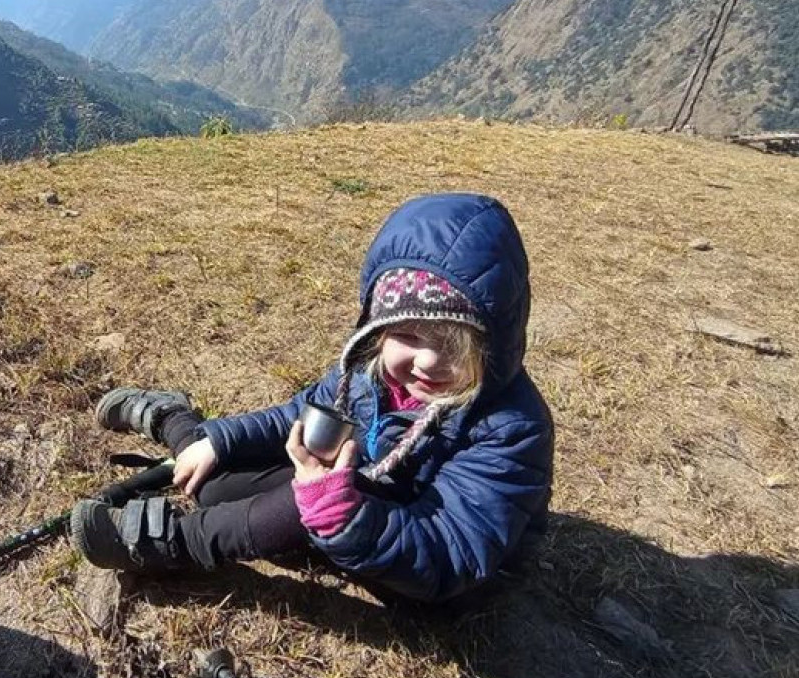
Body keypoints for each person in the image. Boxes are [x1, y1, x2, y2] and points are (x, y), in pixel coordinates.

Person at [70, 193, 554, 603]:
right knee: (212, 483)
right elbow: (297, 416)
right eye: (406, 334)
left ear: (490, 344)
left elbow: (455, 553)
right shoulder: (368, 374)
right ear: (376, 329)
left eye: (452, 344)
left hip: (429, 574)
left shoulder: (509, 427)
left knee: (303, 505)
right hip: (360, 500)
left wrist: (337, 509)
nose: (426, 363)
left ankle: (176, 544)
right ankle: (181, 425)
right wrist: (218, 440)